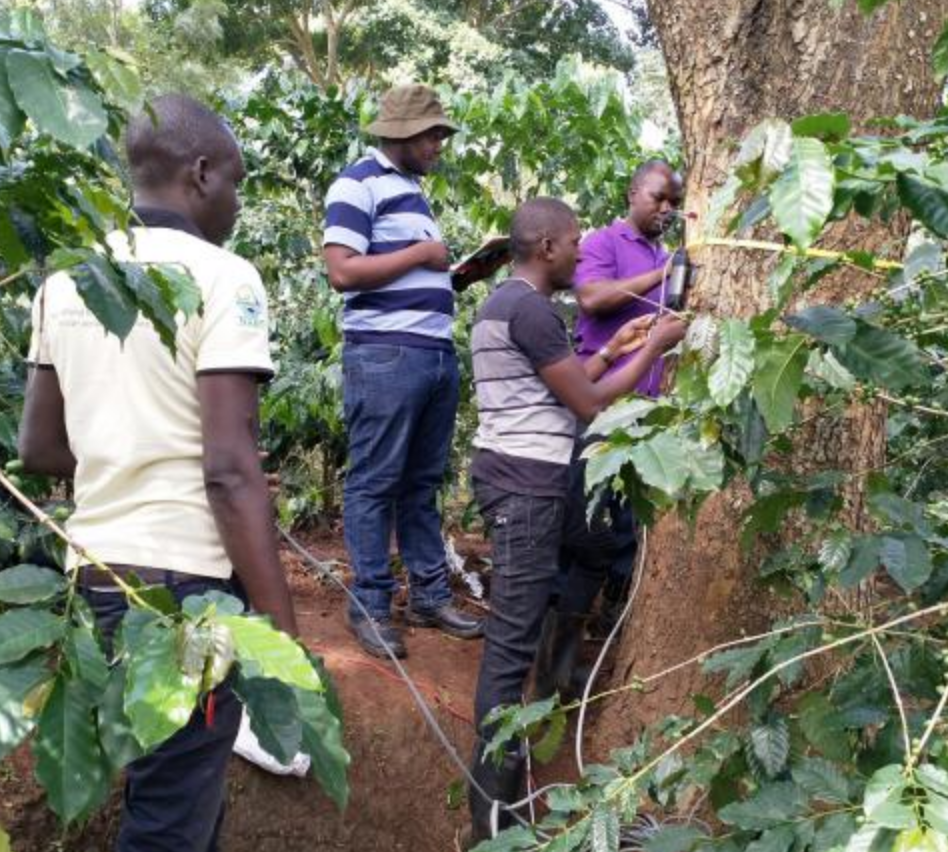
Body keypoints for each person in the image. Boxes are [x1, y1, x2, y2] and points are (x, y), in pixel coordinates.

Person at [19, 94, 297, 852]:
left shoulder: (68, 282)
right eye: (236, 183)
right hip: (186, 603)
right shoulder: (224, 278)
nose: (237, 203)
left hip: (91, 586)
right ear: (201, 174)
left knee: (164, 781)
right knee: (170, 816)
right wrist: (281, 632)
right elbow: (230, 471)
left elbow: (41, 448)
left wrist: (127, 441)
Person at [465, 197, 687, 845]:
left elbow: (561, 391)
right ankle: (491, 817)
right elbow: (588, 404)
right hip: (524, 489)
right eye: (572, 242)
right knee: (509, 649)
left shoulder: (511, 307)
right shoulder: (528, 310)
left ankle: (505, 787)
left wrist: (616, 346)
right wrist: (656, 350)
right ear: (544, 245)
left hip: (522, 481)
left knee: (533, 617)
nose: (578, 252)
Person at [324, 84, 498, 660]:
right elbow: (343, 272)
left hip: (430, 354)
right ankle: (369, 606)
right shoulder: (358, 183)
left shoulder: (411, 193)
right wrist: (424, 257)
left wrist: (455, 275)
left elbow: (401, 274)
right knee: (374, 482)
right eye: (432, 135)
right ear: (399, 134)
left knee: (420, 486)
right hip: (385, 354)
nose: (439, 146)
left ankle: (428, 596)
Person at [534, 160, 684, 701]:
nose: (665, 209)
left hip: (644, 418)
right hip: (596, 407)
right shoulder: (601, 242)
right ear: (633, 192)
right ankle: (547, 664)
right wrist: (661, 278)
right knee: (582, 534)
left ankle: (572, 656)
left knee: (617, 535)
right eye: (658, 198)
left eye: (673, 202)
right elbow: (592, 298)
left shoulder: (668, 255)